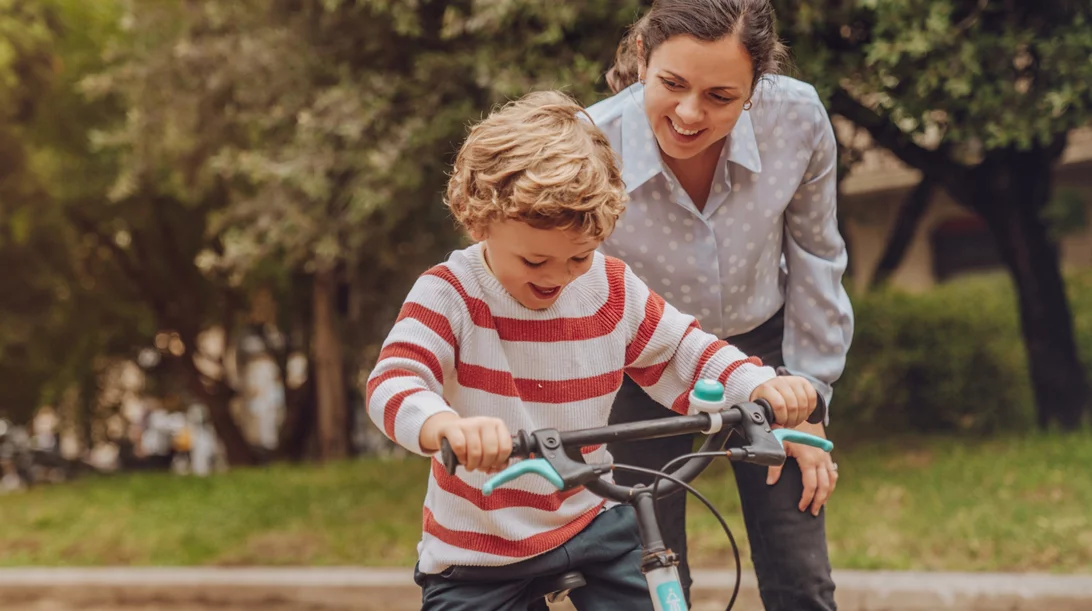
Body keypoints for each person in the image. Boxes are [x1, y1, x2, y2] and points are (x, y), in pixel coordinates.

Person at [365, 90, 820, 611]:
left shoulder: (609, 289)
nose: (558, 278)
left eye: (578, 257)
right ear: (477, 222)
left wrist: (757, 384)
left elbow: (683, 352)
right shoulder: (450, 294)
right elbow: (395, 381)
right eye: (535, 261)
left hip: (591, 516)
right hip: (480, 547)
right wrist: (444, 426)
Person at [586, 1, 855, 609]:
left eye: (720, 96)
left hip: (767, 358)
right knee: (653, 583)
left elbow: (816, 255)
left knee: (801, 576)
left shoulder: (797, 119)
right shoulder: (589, 146)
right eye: (672, 84)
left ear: (755, 88)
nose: (689, 114)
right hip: (640, 365)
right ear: (641, 58)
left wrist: (809, 397)